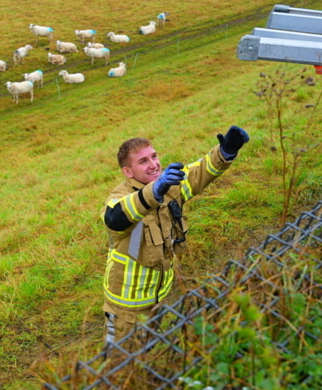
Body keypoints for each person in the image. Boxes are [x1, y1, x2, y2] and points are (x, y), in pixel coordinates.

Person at [101, 126, 249, 349]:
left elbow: (199, 172)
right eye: (143, 161)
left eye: (154, 156)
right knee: (118, 359)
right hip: (125, 305)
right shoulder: (120, 198)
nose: (153, 164)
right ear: (127, 172)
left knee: (145, 348)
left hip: (158, 296)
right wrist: (155, 191)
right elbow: (115, 218)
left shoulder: (170, 186)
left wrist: (225, 151)